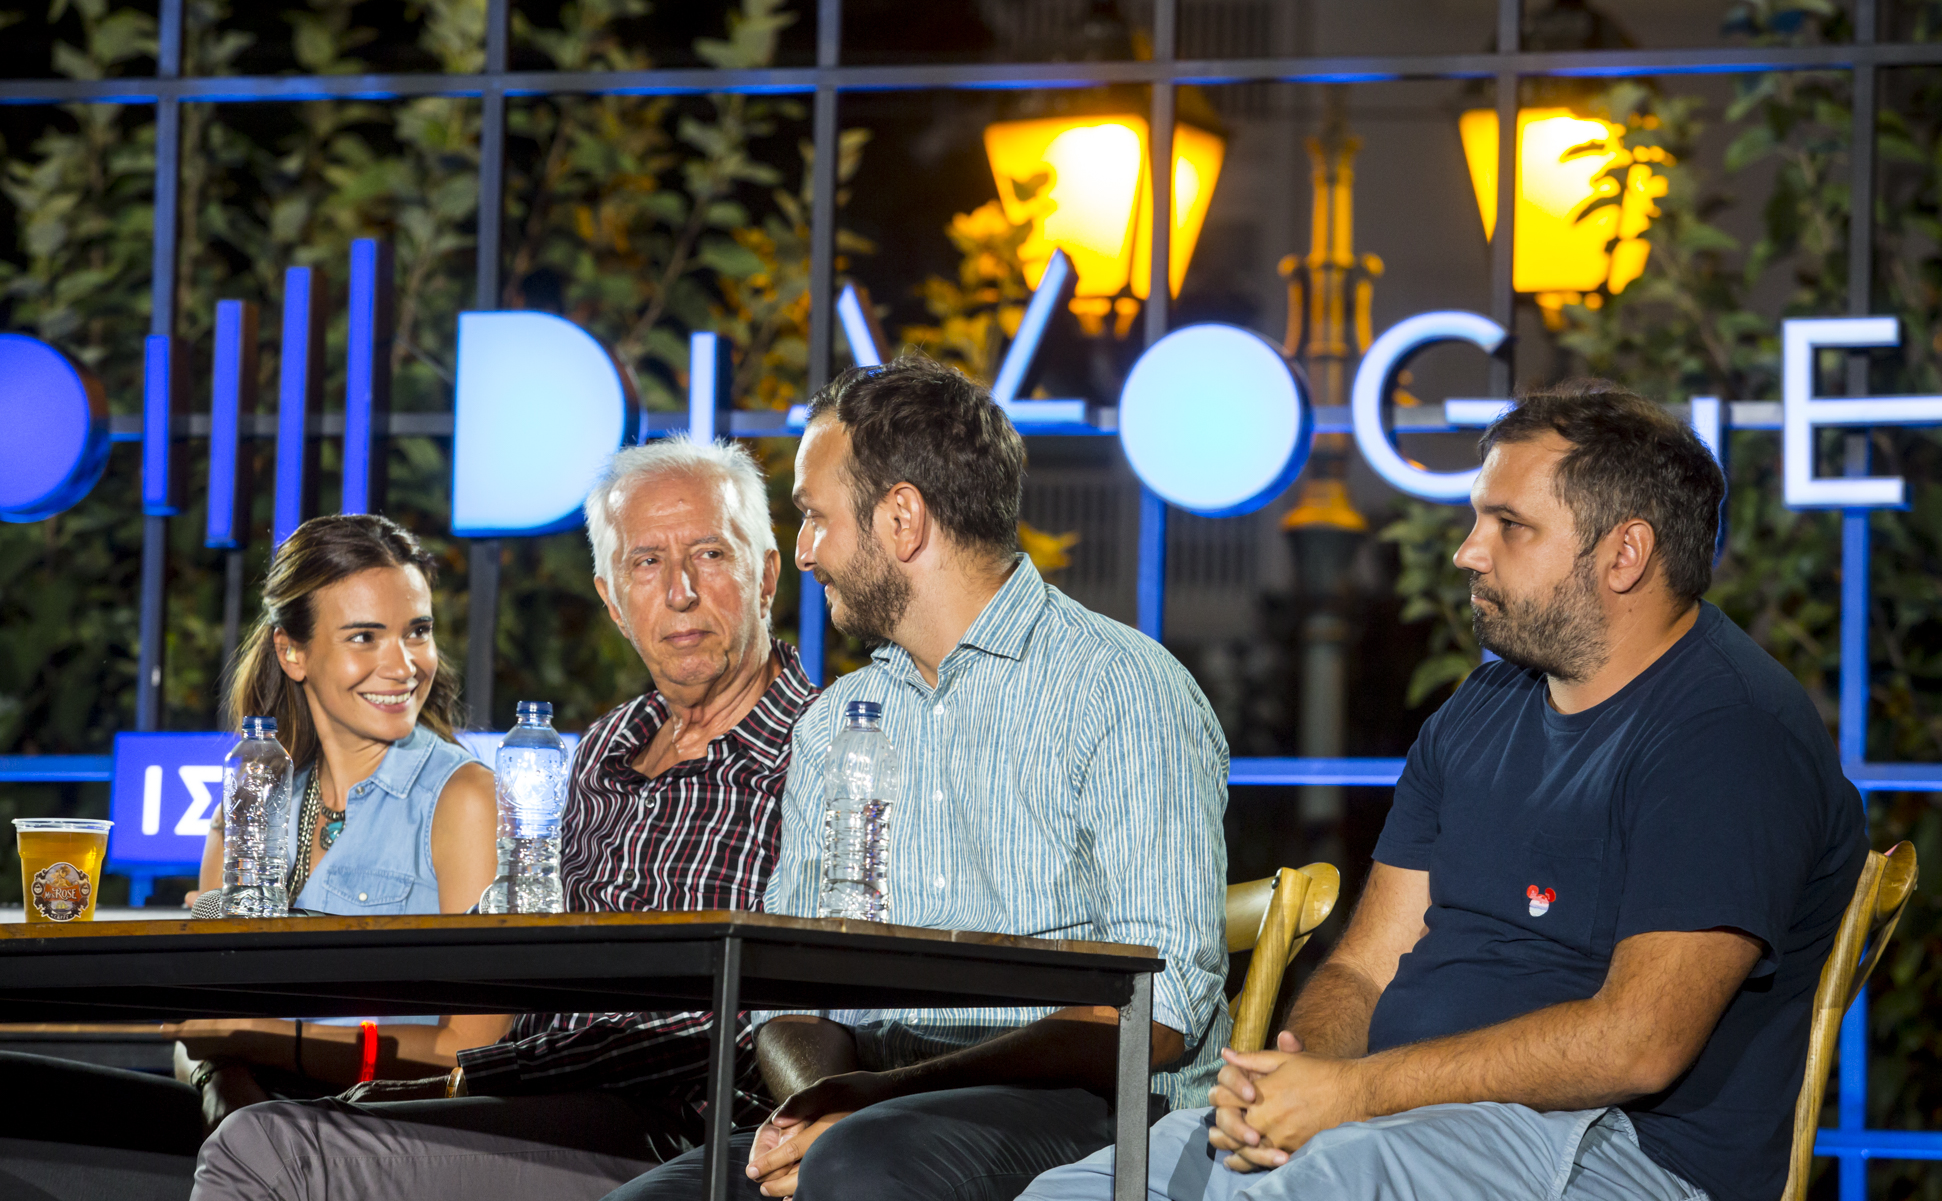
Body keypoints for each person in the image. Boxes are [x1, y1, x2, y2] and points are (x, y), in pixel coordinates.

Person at [1020, 383, 1867, 1201]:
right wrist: (1299, 1077)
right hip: (1398, 1121)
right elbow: (1362, 964)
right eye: (1477, 520)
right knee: (1090, 1184)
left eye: (1510, 526)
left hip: (1608, 1145)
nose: (1468, 549)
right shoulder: (1483, 706)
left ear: (1625, 553)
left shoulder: (1728, 731)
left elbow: (1638, 1041)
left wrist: (1355, 1095)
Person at [609, 355, 1230, 1201]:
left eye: (814, 516)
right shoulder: (839, 719)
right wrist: (819, 1101)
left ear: (901, 518)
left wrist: (876, 1100)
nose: (803, 551)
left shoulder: (1121, 689)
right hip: (874, 1114)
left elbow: (1153, 1013)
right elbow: (788, 993)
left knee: (863, 1165)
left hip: (1095, 1111)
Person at [192, 436, 819, 1201]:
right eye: (646, 562)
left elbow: (742, 1027)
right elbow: (514, 960)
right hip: (542, 1105)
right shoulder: (602, 748)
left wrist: (464, 1074)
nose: (681, 590)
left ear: (766, 576)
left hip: (685, 1133)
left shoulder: (820, 750)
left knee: (270, 1148)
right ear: (612, 600)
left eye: (712, 554)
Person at [0, 513, 500, 1199]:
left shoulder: (462, 796)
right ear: (293, 652)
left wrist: (271, 1043)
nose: (404, 663)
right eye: (365, 636)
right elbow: (201, 1033)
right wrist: (226, 1086)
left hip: (388, 1130)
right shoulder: (252, 795)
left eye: (418, 629)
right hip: (249, 1119)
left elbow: (472, 1057)